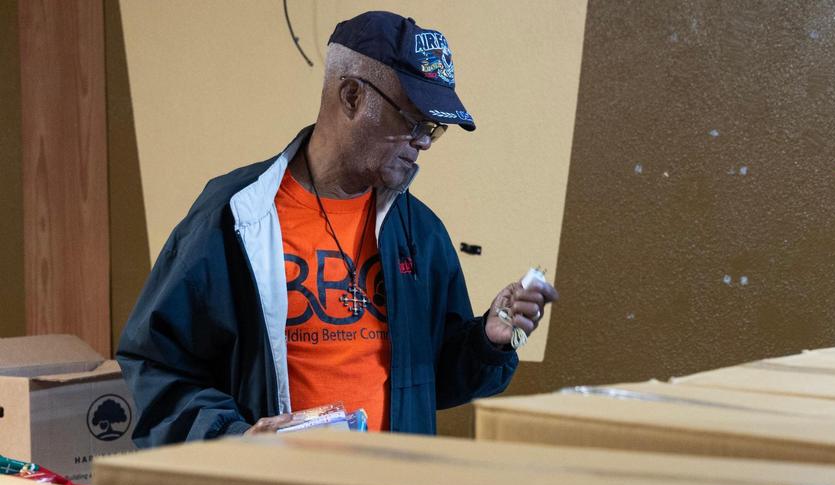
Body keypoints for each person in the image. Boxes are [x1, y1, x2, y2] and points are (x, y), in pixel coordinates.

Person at [117, 11, 558, 446]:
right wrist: (236, 437)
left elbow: (432, 379)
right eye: (412, 121)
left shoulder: (419, 233)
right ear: (351, 96)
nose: (424, 142)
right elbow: (156, 366)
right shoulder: (235, 218)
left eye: (433, 128)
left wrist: (488, 340)